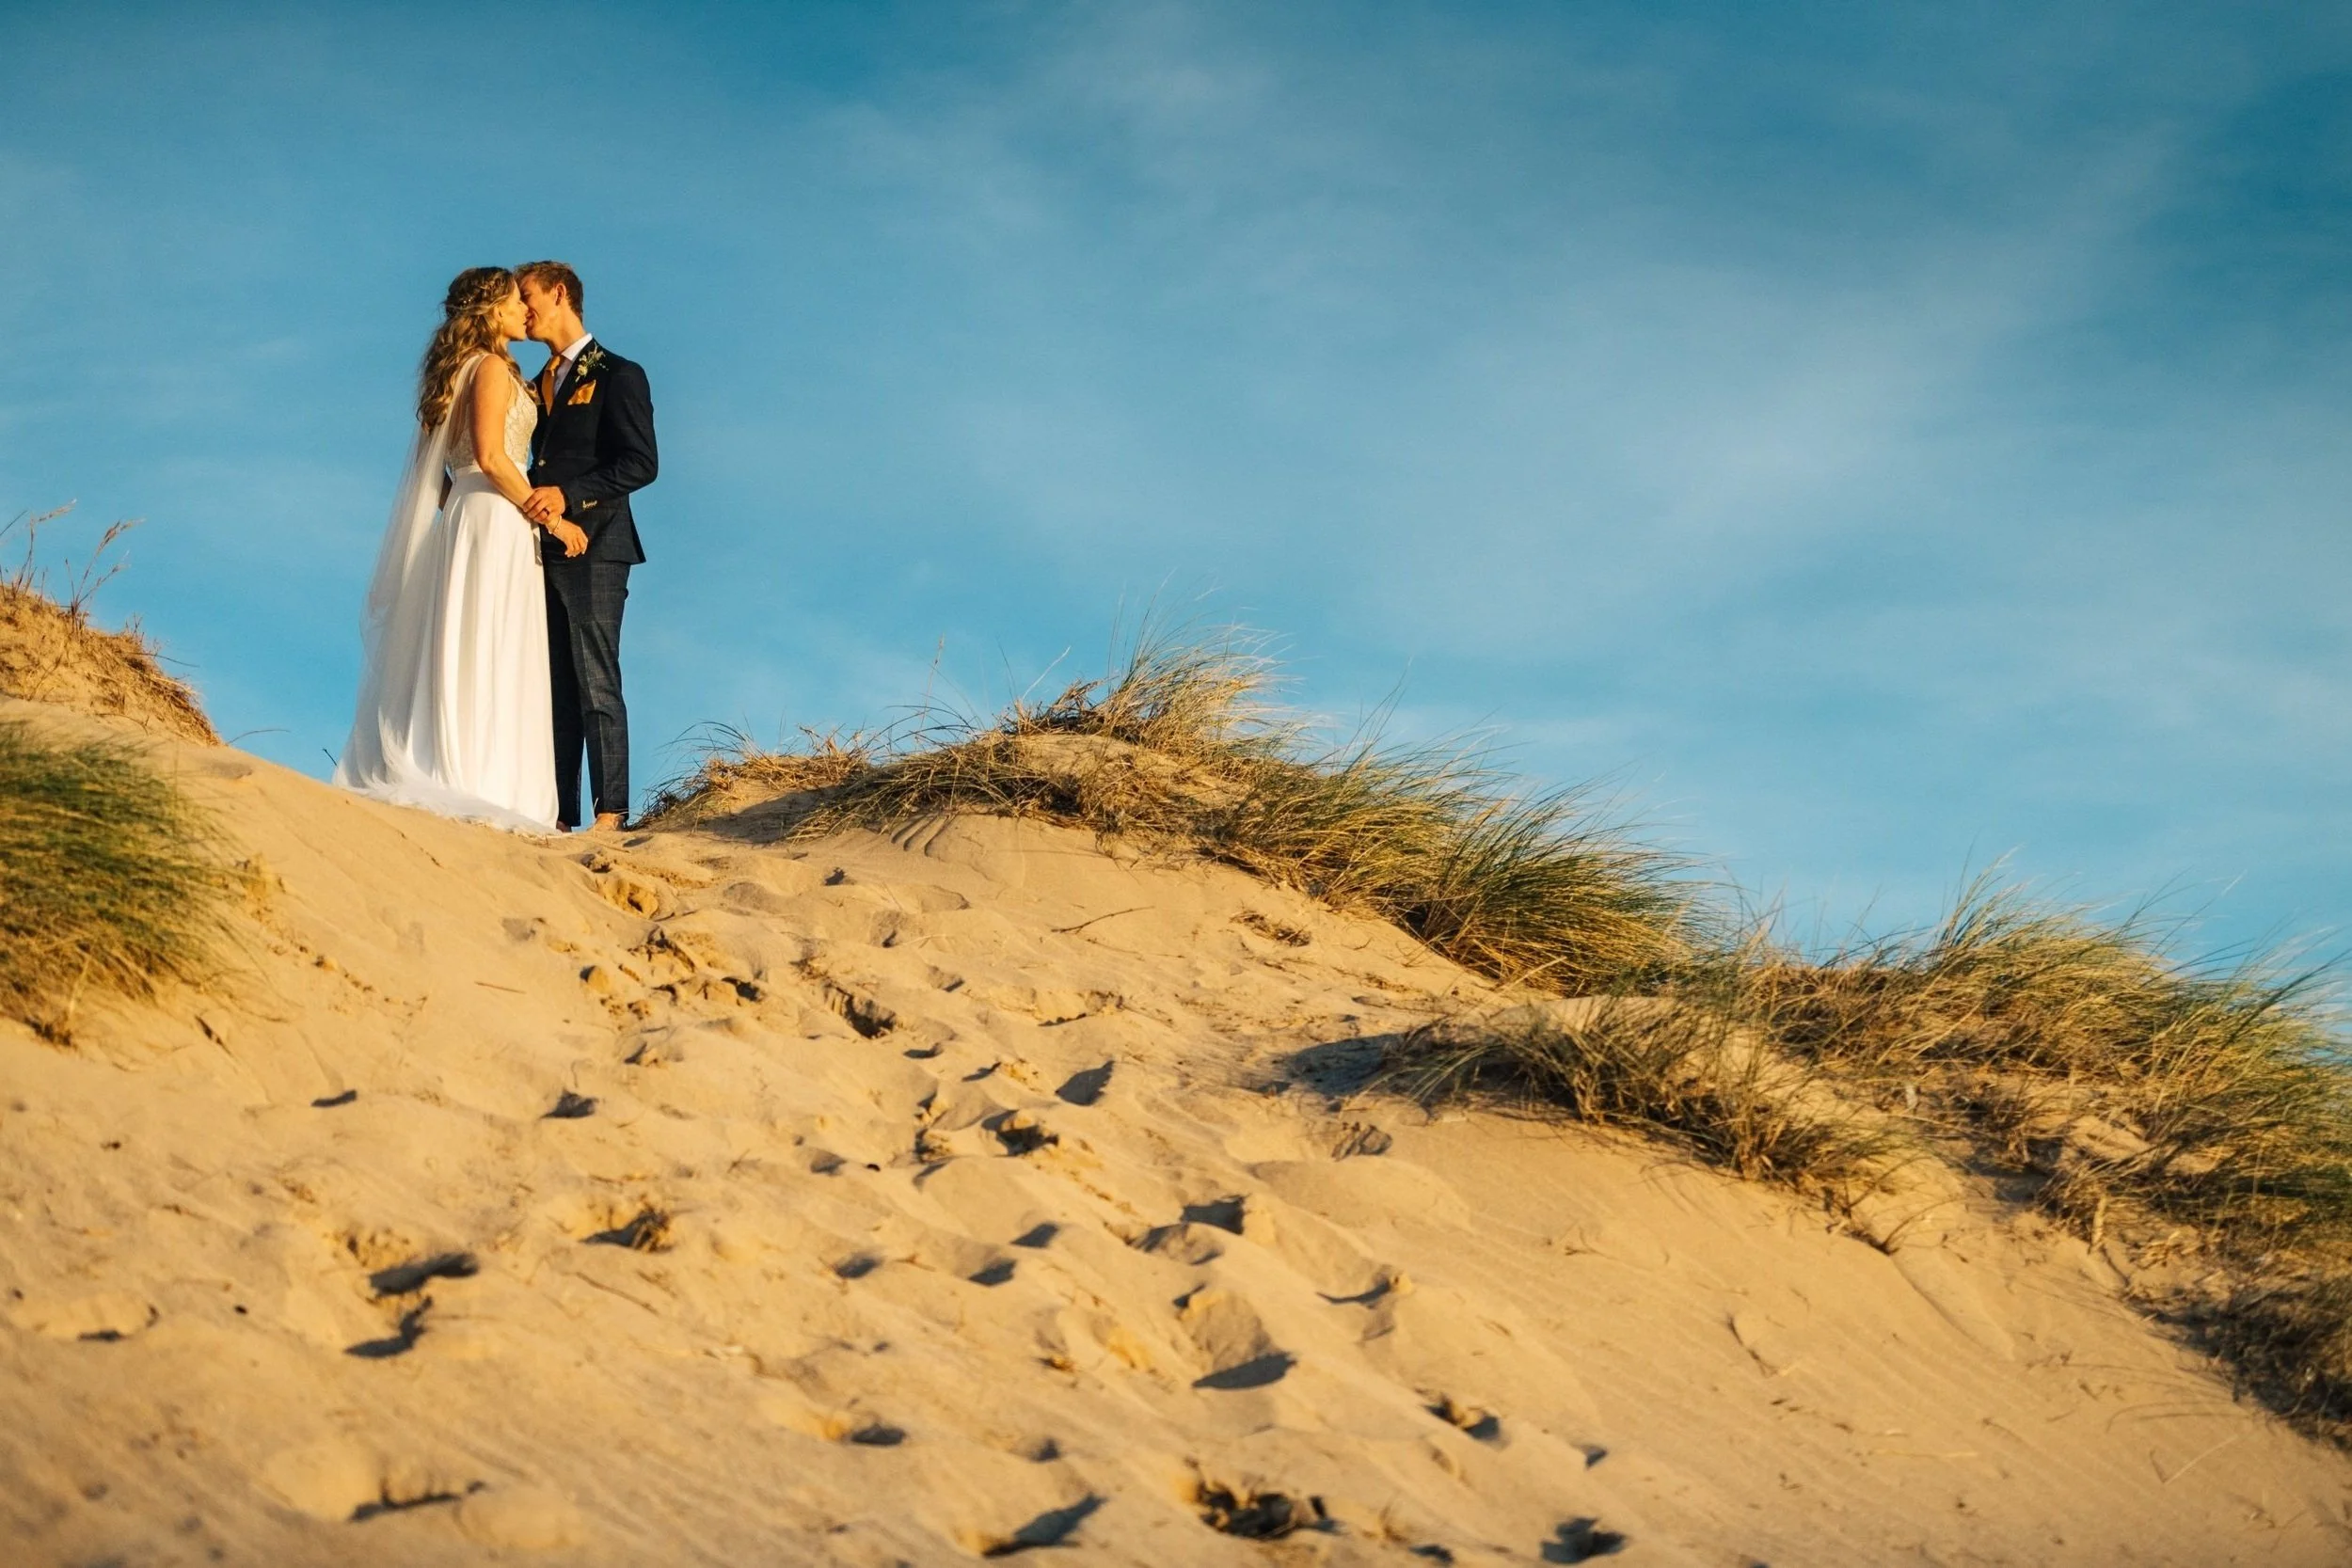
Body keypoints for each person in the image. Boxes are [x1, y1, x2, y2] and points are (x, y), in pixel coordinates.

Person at [335, 267, 589, 832]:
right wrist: (553, 522)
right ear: (491, 312)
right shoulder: (493, 367)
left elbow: (444, 474)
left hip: (467, 515)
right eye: (513, 302)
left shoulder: (454, 374)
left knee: (468, 637)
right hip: (498, 515)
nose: (525, 310)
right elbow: (494, 456)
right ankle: (482, 779)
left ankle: (463, 762)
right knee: (493, 640)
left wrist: (467, 504)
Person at [515, 261, 658, 834]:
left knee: (596, 678)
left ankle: (612, 813)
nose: (521, 309)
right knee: (553, 685)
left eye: (526, 297)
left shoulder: (619, 373)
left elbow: (641, 463)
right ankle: (558, 816)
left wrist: (568, 495)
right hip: (540, 548)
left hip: (599, 545)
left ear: (557, 294)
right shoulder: (534, 382)